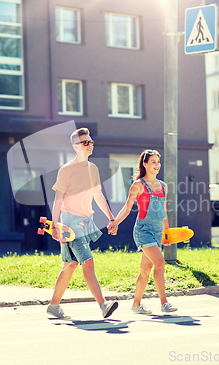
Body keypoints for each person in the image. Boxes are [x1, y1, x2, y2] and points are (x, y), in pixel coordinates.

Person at [47, 128, 119, 319]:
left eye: (91, 142)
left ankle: (54, 306)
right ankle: (103, 305)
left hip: (86, 222)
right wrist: (54, 225)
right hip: (70, 223)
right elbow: (58, 199)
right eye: (85, 142)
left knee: (70, 265)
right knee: (88, 261)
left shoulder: (92, 169)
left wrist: (111, 218)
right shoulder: (67, 169)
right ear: (75, 146)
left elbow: (97, 195)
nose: (90, 145)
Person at [114, 149, 178, 314]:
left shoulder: (163, 186)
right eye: (153, 162)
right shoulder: (138, 185)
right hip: (143, 230)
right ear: (145, 164)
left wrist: (166, 233)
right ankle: (164, 303)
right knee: (160, 263)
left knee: (145, 270)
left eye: (158, 162)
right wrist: (115, 222)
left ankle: (136, 305)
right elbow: (127, 208)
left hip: (157, 231)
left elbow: (164, 211)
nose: (157, 165)